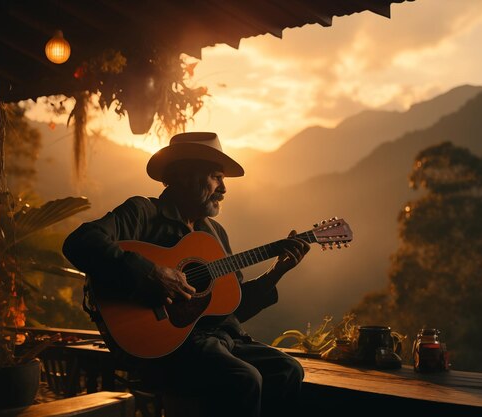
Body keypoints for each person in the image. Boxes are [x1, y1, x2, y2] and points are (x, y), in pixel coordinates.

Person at [62, 131, 311, 417]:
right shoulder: (142, 212)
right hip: (168, 351)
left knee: (288, 370)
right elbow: (80, 242)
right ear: (182, 175)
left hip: (223, 342)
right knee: (243, 379)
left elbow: (233, 307)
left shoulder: (214, 233)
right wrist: (152, 273)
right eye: (216, 176)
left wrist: (276, 272)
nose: (223, 189)